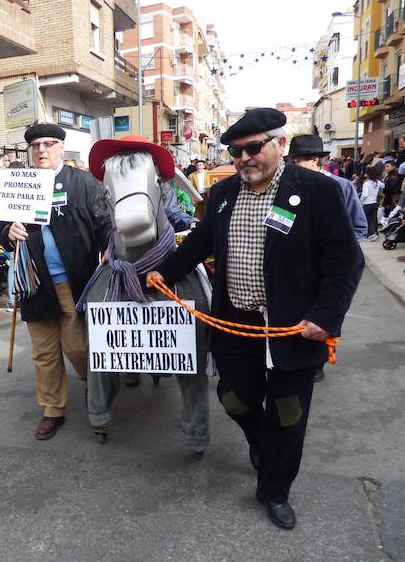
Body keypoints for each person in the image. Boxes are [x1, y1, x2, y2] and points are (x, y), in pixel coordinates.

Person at [147, 108, 364, 530]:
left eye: (253, 147)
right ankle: (259, 439)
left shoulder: (317, 190)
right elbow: (201, 243)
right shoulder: (225, 192)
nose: (244, 157)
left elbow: (345, 261)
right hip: (236, 323)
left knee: (287, 413)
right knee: (234, 398)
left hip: (294, 328)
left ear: (279, 145)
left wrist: (327, 315)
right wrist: (164, 270)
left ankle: (274, 490)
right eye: (235, 151)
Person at [0, 122, 112, 441]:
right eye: (36, 145)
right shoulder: (19, 182)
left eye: (49, 143)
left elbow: (105, 222)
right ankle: (53, 409)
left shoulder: (82, 182)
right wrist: (8, 232)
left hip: (74, 281)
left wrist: (108, 248)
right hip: (35, 284)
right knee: (44, 353)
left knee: (78, 348)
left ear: (61, 147)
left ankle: (97, 387)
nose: (42, 150)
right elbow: (4, 227)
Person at [287, 134, 368, 240]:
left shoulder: (343, 186)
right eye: (291, 162)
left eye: (296, 161)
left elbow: (359, 228)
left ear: (314, 160)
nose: (292, 166)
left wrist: (338, 250)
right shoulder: (289, 185)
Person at [360, 166, 385, 240]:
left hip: (367, 203)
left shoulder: (366, 184)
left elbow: (365, 194)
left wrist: (361, 201)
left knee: (365, 219)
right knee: (371, 219)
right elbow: (383, 185)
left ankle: (370, 234)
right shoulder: (377, 182)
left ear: (368, 174)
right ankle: (372, 233)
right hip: (374, 202)